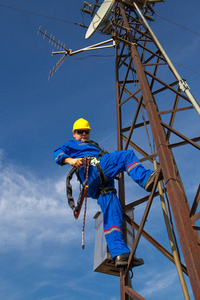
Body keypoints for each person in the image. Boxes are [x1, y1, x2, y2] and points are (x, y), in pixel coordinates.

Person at [53, 118, 161, 268]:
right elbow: (57, 154)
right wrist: (71, 161)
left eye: (86, 131)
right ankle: (145, 179)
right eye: (80, 132)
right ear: (74, 133)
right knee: (126, 156)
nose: (83, 134)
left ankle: (120, 254)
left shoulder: (93, 145)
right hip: (92, 171)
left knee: (112, 212)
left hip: (99, 183)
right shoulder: (71, 144)